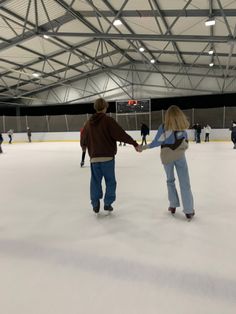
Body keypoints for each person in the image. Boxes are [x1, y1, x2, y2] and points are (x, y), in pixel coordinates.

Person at [80, 98, 141, 213]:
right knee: (110, 181)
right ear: (105, 107)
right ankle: (107, 203)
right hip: (107, 158)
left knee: (95, 182)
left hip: (94, 159)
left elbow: (83, 138)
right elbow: (121, 134)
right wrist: (134, 144)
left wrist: (84, 146)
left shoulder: (88, 123)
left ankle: (95, 204)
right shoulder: (108, 121)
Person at [141, 105, 195, 220]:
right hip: (180, 156)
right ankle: (189, 210)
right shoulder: (182, 127)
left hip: (167, 158)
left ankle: (173, 205)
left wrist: (144, 147)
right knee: (185, 182)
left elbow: (156, 142)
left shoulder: (164, 127)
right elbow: (185, 143)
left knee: (170, 181)